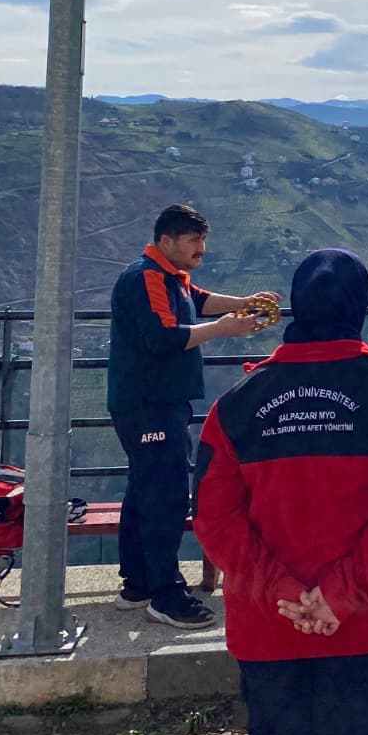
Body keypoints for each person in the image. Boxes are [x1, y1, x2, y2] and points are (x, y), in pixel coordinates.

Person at [194, 249, 368, 735]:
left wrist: (283, 592)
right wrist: (341, 594)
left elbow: (213, 519)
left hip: (267, 622)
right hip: (363, 622)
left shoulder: (236, 405)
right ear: (360, 308)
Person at [106, 203, 277, 628]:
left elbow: (198, 300)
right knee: (164, 496)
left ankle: (138, 583)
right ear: (166, 241)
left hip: (155, 402)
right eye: (192, 241)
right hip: (150, 403)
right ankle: (166, 595)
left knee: (143, 490)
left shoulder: (170, 277)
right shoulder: (146, 277)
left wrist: (244, 303)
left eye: (202, 240)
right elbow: (163, 338)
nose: (201, 249)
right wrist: (224, 329)